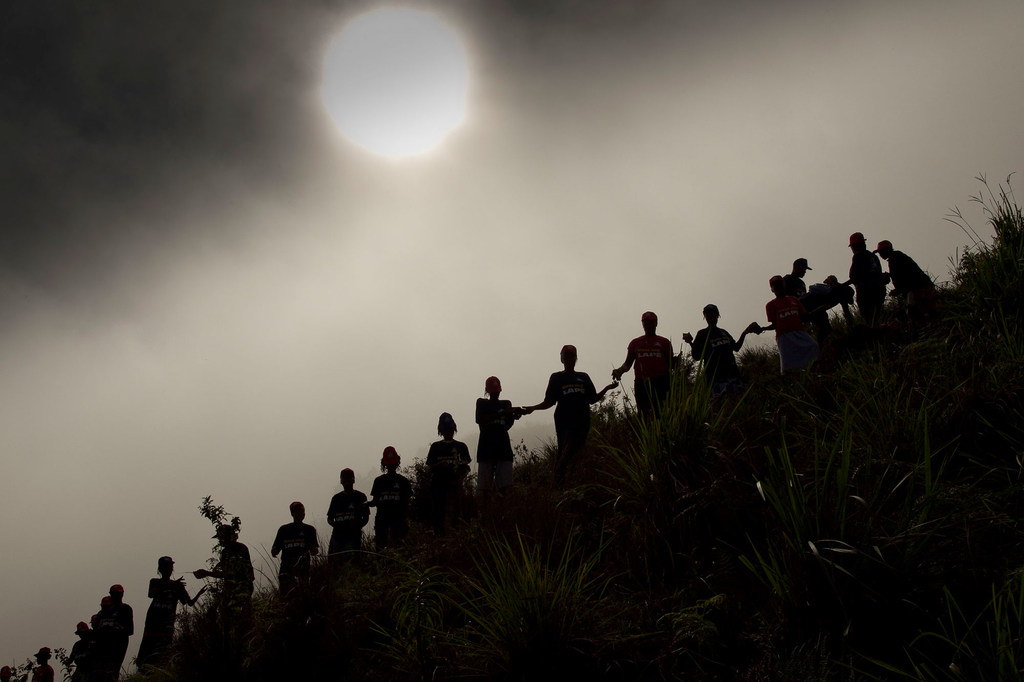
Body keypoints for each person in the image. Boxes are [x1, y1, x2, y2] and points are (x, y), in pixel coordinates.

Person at [521, 345, 617, 483]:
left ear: (575, 358)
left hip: (582, 420)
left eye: (571, 356)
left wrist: (608, 387)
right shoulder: (556, 378)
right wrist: (533, 408)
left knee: (578, 451)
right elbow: (549, 401)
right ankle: (558, 480)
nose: (569, 359)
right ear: (562, 359)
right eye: (566, 356)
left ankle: (572, 480)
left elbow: (592, 399)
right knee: (565, 449)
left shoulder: (583, 377)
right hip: (564, 420)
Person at [136, 556, 206, 669]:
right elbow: (151, 594)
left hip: (167, 623)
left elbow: (189, 603)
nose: (169, 569)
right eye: (166, 567)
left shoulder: (177, 586)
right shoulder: (154, 582)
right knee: (148, 646)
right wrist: (170, 585)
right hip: (153, 622)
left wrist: (199, 594)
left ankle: (159, 669)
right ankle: (144, 668)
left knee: (163, 648)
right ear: (160, 569)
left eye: (170, 567)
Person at [682, 304, 758, 397]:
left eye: (713, 314)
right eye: (708, 315)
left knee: (735, 403)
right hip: (715, 378)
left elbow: (736, 347)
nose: (711, 317)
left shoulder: (724, 332)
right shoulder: (702, 334)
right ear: (705, 317)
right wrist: (690, 342)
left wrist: (745, 333)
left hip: (732, 375)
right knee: (719, 404)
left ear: (717, 315)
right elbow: (697, 356)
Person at [612, 312, 674, 418]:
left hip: (661, 381)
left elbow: (671, 364)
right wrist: (619, 371)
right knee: (643, 413)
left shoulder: (664, 342)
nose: (647, 325)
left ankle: (662, 432)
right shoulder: (635, 343)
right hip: (642, 382)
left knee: (661, 411)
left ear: (656, 323)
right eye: (645, 322)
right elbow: (627, 364)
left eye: (650, 322)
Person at [754, 275, 820, 373]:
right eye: (775, 286)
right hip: (784, 336)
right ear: (772, 289)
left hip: (799, 332)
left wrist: (819, 309)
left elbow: (804, 316)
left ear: (784, 285)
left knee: (813, 347)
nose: (778, 288)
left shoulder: (794, 300)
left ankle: (814, 372)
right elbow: (775, 324)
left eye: (780, 285)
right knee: (789, 364)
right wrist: (763, 328)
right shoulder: (770, 305)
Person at [475, 376, 522, 497]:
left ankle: (503, 513)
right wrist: (503, 413)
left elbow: (508, 423)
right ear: (487, 391)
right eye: (494, 391)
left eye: (497, 391)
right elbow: (480, 420)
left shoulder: (506, 404)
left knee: (506, 488)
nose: (496, 394)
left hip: (503, 449)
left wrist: (514, 415)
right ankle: (486, 514)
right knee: (484, 490)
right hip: (486, 450)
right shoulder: (482, 403)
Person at [425, 413, 472, 535]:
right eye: (446, 429)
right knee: (439, 513)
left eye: (450, 429)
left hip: (455, 485)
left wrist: (460, 479)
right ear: (441, 430)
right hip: (438, 486)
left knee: (457, 513)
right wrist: (440, 466)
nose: (449, 432)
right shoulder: (435, 447)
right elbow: (430, 467)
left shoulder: (461, 447)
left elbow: (466, 466)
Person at [194, 524, 255, 613]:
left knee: (241, 615)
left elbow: (232, 573)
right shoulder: (225, 552)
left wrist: (208, 573)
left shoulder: (241, 548)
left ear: (226, 537)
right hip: (230, 590)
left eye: (220, 538)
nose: (219, 541)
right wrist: (206, 573)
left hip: (242, 588)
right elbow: (224, 573)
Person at [876, 240, 936, 319]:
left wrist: (896, 290)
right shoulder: (898, 256)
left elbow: (903, 278)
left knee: (915, 314)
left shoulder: (894, 259)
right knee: (927, 312)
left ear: (887, 250)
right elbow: (904, 274)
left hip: (916, 289)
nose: (880, 254)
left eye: (881, 251)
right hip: (921, 286)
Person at [368, 446, 413, 550]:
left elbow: (407, 503)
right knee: (390, 547)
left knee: (392, 546)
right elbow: (375, 501)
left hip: (396, 520)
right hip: (386, 521)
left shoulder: (401, 481)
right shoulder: (400, 481)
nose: (391, 466)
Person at [271, 502, 320, 594]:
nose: (301, 514)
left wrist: (312, 548)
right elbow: (275, 549)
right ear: (292, 514)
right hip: (286, 567)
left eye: (303, 511)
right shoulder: (284, 530)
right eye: (298, 512)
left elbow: (314, 551)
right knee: (286, 593)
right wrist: (274, 551)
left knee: (303, 591)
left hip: (303, 566)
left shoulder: (309, 530)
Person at [326, 469, 369, 564]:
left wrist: (357, 526)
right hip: (338, 536)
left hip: (353, 536)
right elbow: (329, 518)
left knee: (352, 561)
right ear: (341, 481)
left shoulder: (360, 497)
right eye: (344, 479)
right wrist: (336, 526)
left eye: (349, 478)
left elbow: (366, 518)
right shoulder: (336, 498)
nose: (347, 481)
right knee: (335, 562)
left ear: (353, 480)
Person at [847, 232, 887, 325]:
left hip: (866, 291)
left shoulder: (858, 256)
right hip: (879, 290)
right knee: (877, 316)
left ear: (854, 246)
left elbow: (854, 276)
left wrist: (841, 285)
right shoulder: (873, 256)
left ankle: (875, 337)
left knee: (869, 320)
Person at [799, 275, 855, 340]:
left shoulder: (836, 292)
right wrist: (809, 314)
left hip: (808, 306)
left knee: (825, 329)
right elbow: (822, 306)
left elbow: (846, 312)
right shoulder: (835, 295)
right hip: (808, 306)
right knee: (825, 329)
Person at [105, 585, 133, 679]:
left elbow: (130, 630)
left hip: (120, 642)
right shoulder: (107, 610)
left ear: (122, 595)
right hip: (107, 642)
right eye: (113, 594)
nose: (115, 596)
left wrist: (119, 629)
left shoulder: (126, 609)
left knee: (114, 668)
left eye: (117, 594)